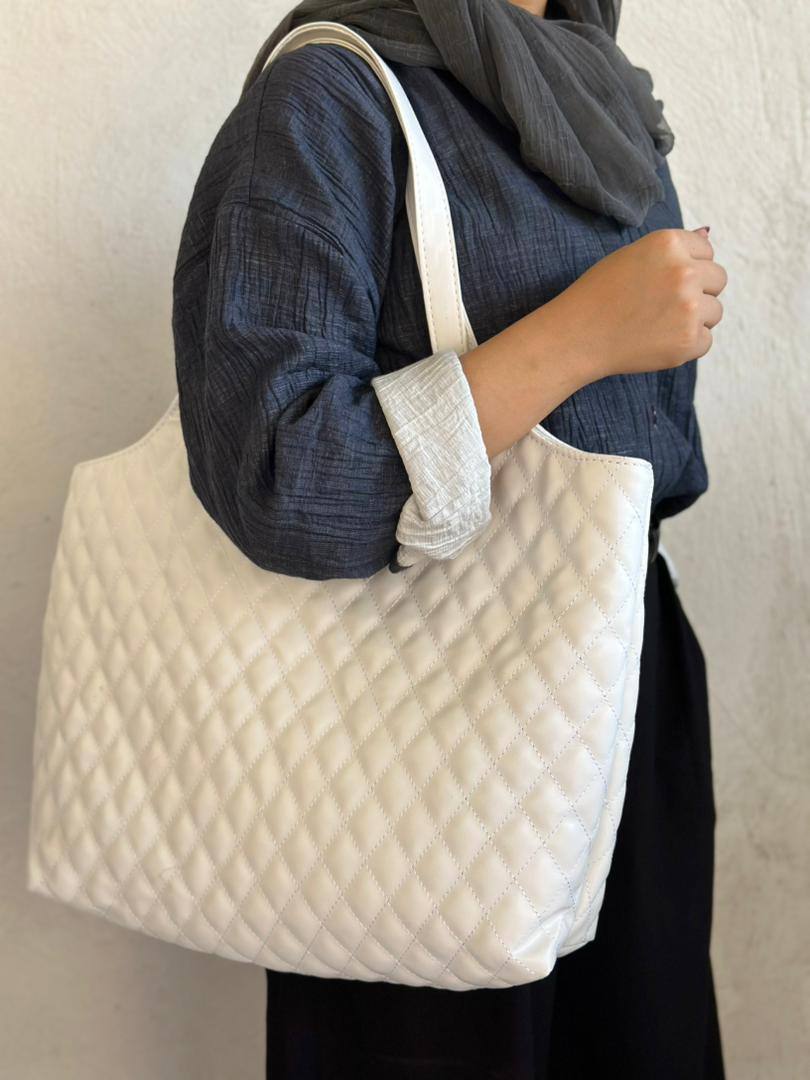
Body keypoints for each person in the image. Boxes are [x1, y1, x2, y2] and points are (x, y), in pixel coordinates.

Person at [171, 1, 728, 1076]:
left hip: (630, 680)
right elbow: (281, 475)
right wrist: (582, 336)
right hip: (425, 732)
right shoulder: (330, 93)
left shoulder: (600, 92)